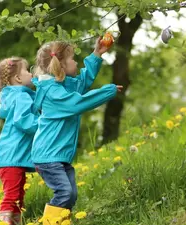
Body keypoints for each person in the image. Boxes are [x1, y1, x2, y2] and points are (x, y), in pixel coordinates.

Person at [31, 39, 122, 224]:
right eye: (73, 59)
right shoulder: (53, 93)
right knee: (65, 192)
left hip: (58, 156)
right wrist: (107, 91)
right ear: (61, 65)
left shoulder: (62, 86)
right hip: (48, 157)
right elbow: (76, 103)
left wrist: (97, 54)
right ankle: (49, 222)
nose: (76, 63)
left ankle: (60, 221)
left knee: (71, 195)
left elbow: (81, 83)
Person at [0, 57, 39, 225]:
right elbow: (24, 121)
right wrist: (43, 124)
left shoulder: (15, 97)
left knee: (18, 196)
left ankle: (15, 223)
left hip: (9, 157)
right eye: (27, 70)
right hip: (11, 157)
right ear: (18, 78)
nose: (31, 73)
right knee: (12, 196)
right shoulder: (21, 97)